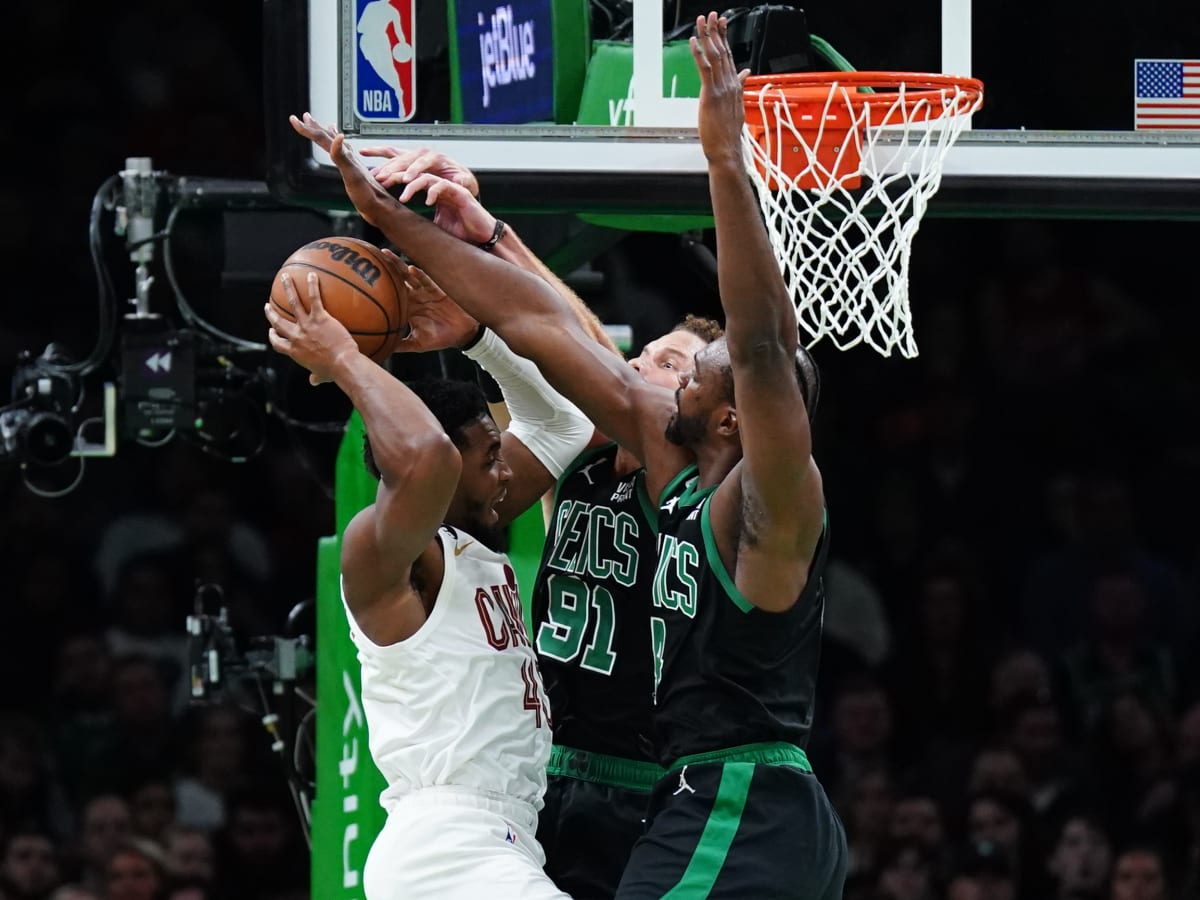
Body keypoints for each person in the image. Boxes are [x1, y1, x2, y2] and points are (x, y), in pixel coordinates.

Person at [291, 10, 846, 897]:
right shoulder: (668, 466)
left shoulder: (770, 498)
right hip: (676, 796)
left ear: (734, 418)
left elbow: (761, 346)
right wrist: (390, 217)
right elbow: (543, 325)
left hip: (740, 795)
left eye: (682, 369)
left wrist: (725, 157)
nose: (646, 376)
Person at [355, 144, 724, 897]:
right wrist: (491, 252)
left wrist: (495, 243)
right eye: (646, 354)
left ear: (700, 408)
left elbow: (586, 360)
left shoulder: (692, 483)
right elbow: (563, 354)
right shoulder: (582, 464)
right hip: (542, 783)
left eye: (668, 365)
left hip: (645, 783)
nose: (640, 366)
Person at [264, 264, 590, 898]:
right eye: (490, 458)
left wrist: (478, 340)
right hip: (448, 844)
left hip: (501, 838)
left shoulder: (465, 536)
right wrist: (344, 357)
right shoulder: (377, 554)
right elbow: (428, 457)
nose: (505, 474)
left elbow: (562, 426)